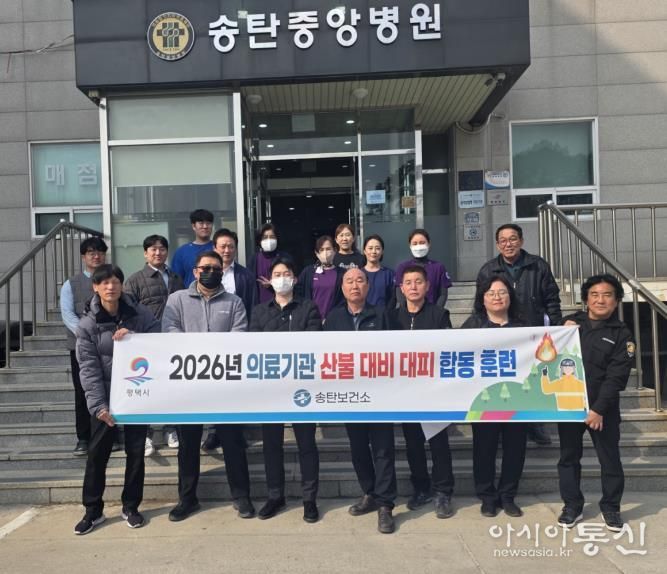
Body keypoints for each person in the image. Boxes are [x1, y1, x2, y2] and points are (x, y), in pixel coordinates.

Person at [162, 251, 253, 521]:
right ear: (195, 271)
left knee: (233, 443)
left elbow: (240, 334)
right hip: (188, 385)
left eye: (216, 268)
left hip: (224, 385)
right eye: (205, 268)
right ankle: (187, 499)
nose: (210, 272)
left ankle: (242, 496)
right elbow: (169, 329)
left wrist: (213, 350)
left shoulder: (234, 302)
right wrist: (199, 348)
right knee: (188, 445)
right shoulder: (177, 300)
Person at [74, 264, 160, 534]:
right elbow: (88, 369)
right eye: (104, 283)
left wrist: (136, 338)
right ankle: (93, 511)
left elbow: (159, 341)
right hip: (104, 398)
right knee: (97, 455)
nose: (110, 287)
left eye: (115, 282)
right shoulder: (87, 325)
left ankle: (131, 506)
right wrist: (99, 406)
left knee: (136, 453)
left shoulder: (139, 313)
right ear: (95, 288)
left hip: (136, 394)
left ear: (122, 285)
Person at [556, 274, 634, 532]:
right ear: (586, 299)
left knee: (609, 459)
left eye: (607, 295)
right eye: (595, 295)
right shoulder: (570, 323)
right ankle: (572, 506)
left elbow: (617, 376)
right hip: (570, 404)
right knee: (568, 457)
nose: (601, 300)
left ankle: (611, 507)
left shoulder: (621, 334)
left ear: (616, 300)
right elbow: (546, 349)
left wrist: (598, 409)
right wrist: (560, 328)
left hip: (603, 408)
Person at [324, 268, 397, 534]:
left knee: (383, 449)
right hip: (350, 395)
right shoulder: (334, 318)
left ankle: (386, 504)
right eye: (349, 281)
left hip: (379, 395)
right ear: (342, 287)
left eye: (360, 280)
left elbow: (396, 352)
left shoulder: (382, 314)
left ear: (368, 286)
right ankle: (370, 492)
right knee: (358, 448)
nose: (355, 285)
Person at [249, 257, 322, 523]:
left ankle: (309, 499)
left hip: (302, 388)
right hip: (271, 389)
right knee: (271, 445)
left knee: (306, 445)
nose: (282, 278)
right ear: (270, 280)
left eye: (286, 273)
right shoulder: (259, 311)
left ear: (295, 278)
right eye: (277, 274)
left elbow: (314, 343)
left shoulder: (308, 307)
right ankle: (275, 496)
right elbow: (254, 347)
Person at [476, 223, 562, 446]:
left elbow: (552, 299)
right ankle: (498, 423)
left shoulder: (537, 266)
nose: (508, 244)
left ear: (521, 241)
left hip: (531, 335)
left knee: (532, 380)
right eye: (503, 240)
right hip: (500, 336)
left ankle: (535, 425)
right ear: (497, 245)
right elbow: (480, 305)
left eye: (513, 239)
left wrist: (557, 328)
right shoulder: (488, 270)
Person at [387, 265, 455, 518]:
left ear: (427, 286)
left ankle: (443, 491)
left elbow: (448, 350)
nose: (413, 287)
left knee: (439, 443)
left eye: (418, 282)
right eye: (408, 282)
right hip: (406, 392)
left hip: (434, 391)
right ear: (401, 288)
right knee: (413, 443)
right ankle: (421, 488)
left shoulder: (440, 315)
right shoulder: (392, 318)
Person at [461, 275, 527, 518]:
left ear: (510, 297)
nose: (497, 297)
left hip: (517, 401)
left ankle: (508, 495)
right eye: (491, 293)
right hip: (484, 400)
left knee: (515, 449)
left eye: (502, 292)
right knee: (484, 449)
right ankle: (487, 497)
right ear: (483, 299)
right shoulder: (472, 326)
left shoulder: (523, 328)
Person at [124, 234, 184, 455]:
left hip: (172, 342)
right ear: (145, 253)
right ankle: (147, 434)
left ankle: (171, 429)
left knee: (171, 388)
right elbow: (127, 310)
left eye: (162, 249)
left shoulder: (176, 277)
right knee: (146, 389)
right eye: (153, 249)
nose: (158, 253)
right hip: (146, 343)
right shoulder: (135, 280)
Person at [201, 228, 257, 452]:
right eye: (222, 246)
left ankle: (236, 432)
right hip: (209, 342)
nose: (227, 250)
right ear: (214, 247)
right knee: (212, 388)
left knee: (235, 388)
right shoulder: (203, 272)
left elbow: (252, 305)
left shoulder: (245, 275)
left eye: (231, 246)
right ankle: (213, 432)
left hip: (236, 339)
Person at [60, 236, 111, 456]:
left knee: (109, 389)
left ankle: (110, 434)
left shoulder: (112, 280)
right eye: (91, 252)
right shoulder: (71, 284)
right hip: (81, 347)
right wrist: (86, 335)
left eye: (100, 252)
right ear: (83, 257)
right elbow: (68, 315)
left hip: (109, 346)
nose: (96, 256)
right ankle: (83, 437)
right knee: (83, 391)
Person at [395, 229, 452, 309]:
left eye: (422, 243)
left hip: (433, 312)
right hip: (409, 313)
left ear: (429, 244)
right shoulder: (402, 267)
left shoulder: (438, 267)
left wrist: (435, 312)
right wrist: (408, 311)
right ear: (410, 246)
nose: (418, 246)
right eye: (415, 243)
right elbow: (399, 293)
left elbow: (443, 294)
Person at [296, 235, 344, 320]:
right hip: (311, 320)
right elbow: (298, 293)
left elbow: (343, 299)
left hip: (334, 320)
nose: (325, 253)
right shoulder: (308, 272)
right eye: (321, 250)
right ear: (316, 253)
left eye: (328, 249)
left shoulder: (342, 273)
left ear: (335, 250)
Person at [170, 209, 215, 287]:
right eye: (201, 223)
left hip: (215, 293)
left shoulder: (218, 249)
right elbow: (176, 281)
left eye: (208, 223)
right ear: (194, 226)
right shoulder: (182, 252)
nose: (205, 226)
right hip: (189, 293)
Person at [247, 223, 291, 304]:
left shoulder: (285, 258)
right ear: (259, 240)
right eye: (265, 237)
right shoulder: (254, 259)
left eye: (272, 237)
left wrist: (274, 284)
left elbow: (292, 280)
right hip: (260, 305)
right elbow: (249, 284)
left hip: (282, 303)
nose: (269, 240)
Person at [362, 234, 395, 308]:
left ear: (382, 251)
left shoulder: (389, 274)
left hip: (384, 313)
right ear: (364, 251)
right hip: (363, 313)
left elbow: (393, 299)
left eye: (377, 248)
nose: (374, 251)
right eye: (370, 248)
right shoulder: (359, 274)